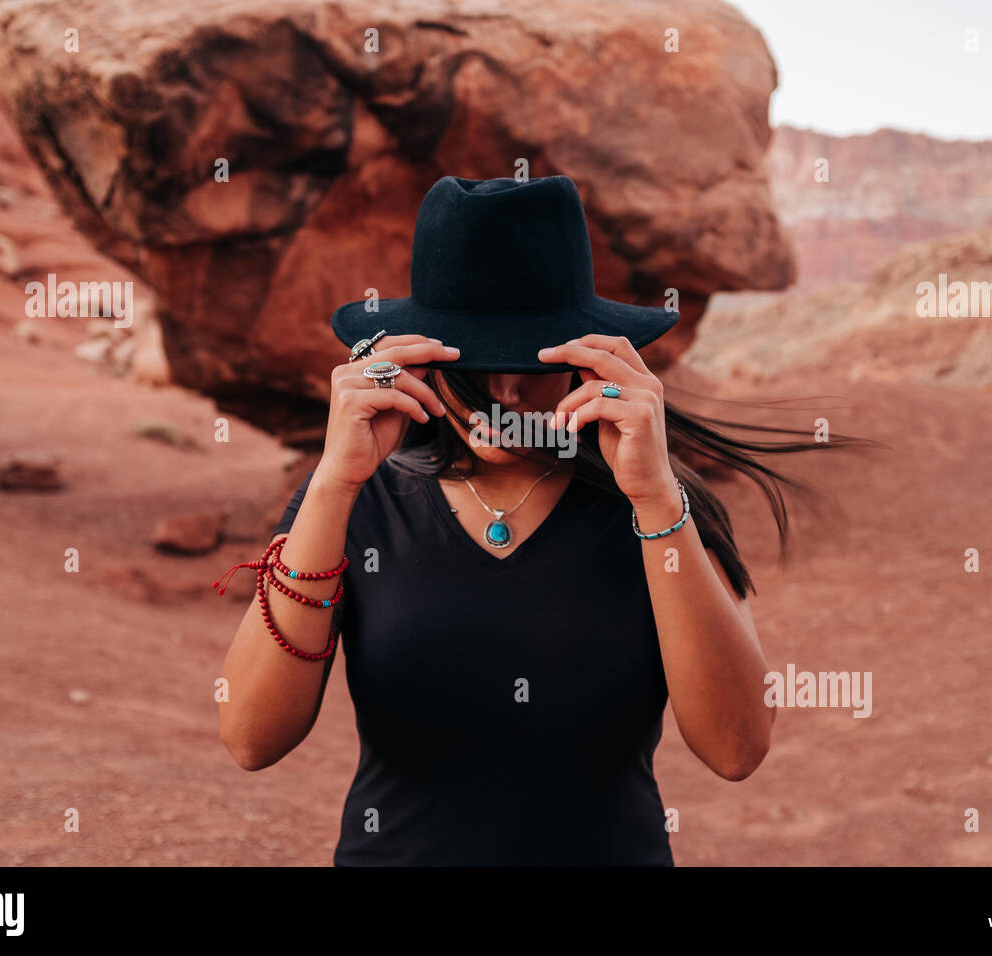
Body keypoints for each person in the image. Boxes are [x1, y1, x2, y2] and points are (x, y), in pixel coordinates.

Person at [217, 175, 854, 865]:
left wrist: (654, 498)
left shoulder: (657, 506)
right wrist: (336, 482)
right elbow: (251, 737)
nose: (507, 391)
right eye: (474, 363)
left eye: (531, 360)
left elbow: (736, 748)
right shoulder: (354, 499)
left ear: (588, 359)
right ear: (421, 359)